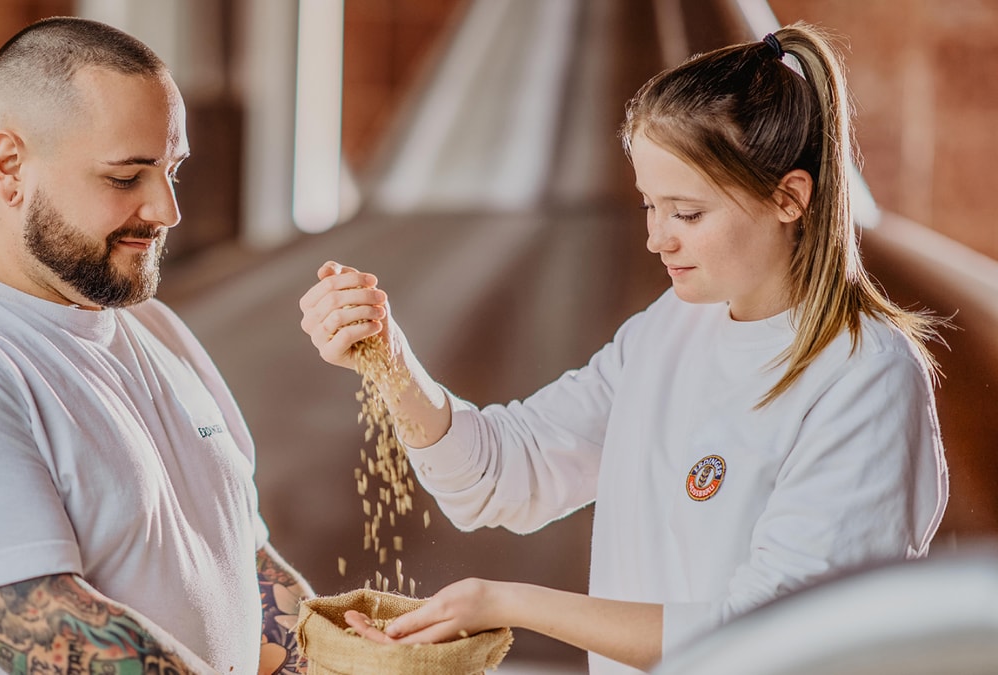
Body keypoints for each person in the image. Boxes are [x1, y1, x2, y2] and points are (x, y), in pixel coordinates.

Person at [298, 22, 948, 674]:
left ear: (789, 198)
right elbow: (505, 472)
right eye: (649, 205)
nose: (657, 238)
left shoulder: (865, 375)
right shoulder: (671, 328)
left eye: (686, 213)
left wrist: (507, 600)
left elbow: (774, 635)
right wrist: (390, 359)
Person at [0, 17, 310, 675]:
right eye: (126, 177)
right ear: (10, 166)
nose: (167, 209)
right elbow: (66, 645)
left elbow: (242, 565)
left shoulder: (156, 329)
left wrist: (362, 652)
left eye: (171, 169)